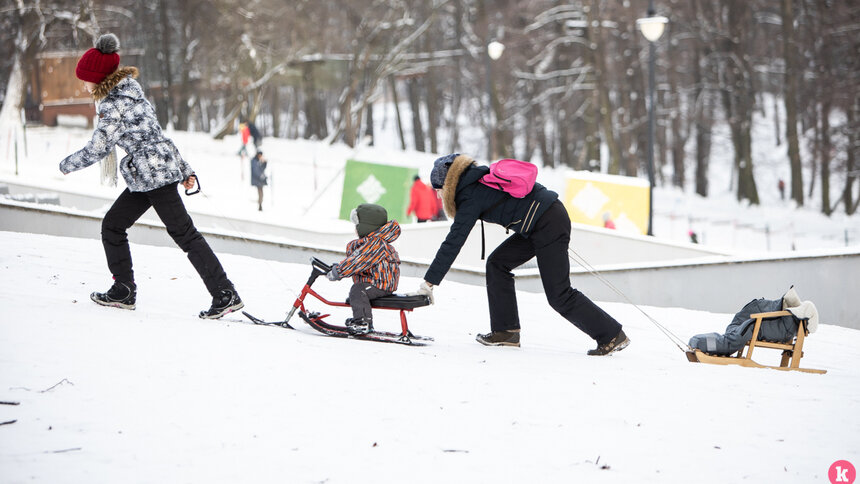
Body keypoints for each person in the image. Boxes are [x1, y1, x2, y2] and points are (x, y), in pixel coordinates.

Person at [59, 33, 243, 319]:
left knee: (184, 234)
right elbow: (156, 137)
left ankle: (224, 292)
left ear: (97, 77)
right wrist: (182, 168)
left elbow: (100, 147)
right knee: (113, 225)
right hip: (148, 175)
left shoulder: (113, 104)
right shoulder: (133, 93)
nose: (83, 84)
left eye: (85, 78)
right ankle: (123, 289)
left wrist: (66, 164)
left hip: (152, 176)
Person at [412, 153, 629, 355]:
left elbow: (453, 242)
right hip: (541, 221)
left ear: (449, 184)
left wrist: (430, 283)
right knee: (497, 263)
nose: (438, 195)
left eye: (439, 189)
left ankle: (610, 334)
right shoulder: (475, 180)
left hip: (547, 222)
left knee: (559, 295)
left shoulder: (469, 195)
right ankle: (506, 331)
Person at [325, 204, 401, 335]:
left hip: (380, 284)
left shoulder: (375, 244)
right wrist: (339, 267)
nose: (355, 229)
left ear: (366, 227)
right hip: (379, 282)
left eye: (357, 225)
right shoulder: (374, 242)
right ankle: (360, 318)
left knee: (359, 291)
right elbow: (356, 260)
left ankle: (363, 323)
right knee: (357, 291)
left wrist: (339, 272)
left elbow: (357, 262)